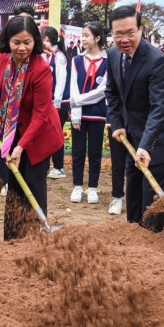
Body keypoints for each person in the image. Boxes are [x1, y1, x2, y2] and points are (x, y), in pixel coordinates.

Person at [0, 16, 64, 240]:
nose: (22, 47)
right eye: (16, 41)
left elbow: (40, 114)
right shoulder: (0, 58)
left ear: (34, 41)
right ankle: (12, 238)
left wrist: (21, 147)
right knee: (15, 187)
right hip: (10, 131)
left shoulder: (41, 69)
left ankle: (36, 241)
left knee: (33, 185)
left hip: (39, 136)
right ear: (7, 40)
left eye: (27, 42)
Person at [106, 5, 164, 232]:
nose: (125, 39)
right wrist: (118, 124)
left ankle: (151, 246)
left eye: (130, 32)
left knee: (152, 202)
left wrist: (147, 145)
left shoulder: (155, 59)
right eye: (118, 34)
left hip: (159, 139)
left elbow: (159, 107)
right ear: (111, 33)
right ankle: (134, 242)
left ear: (141, 29)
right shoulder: (112, 54)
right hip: (133, 135)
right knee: (134, 192)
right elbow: (112, 92)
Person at [68, 22, 108, 205]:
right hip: (79, 115)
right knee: (77, 152)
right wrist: (76, 113)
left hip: (98, 114)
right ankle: (77, 186)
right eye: (82, 35)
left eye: (86, 35)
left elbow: (102, 91)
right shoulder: (76, 61)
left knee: (94, 152)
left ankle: (92, 187)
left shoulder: (107, 62)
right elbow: (73, 87)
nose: (83, 39)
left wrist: (77, 100)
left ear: (97, 38)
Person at [41, 26, 70, 180]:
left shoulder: (59, 57)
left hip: (58, 103)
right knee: (44, 134)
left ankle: (58, 167)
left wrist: (57, 101)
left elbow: (61, 81)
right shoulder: (45, 56)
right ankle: (44, 166)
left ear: (46, 39)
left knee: (56, 133)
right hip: (47, 102)